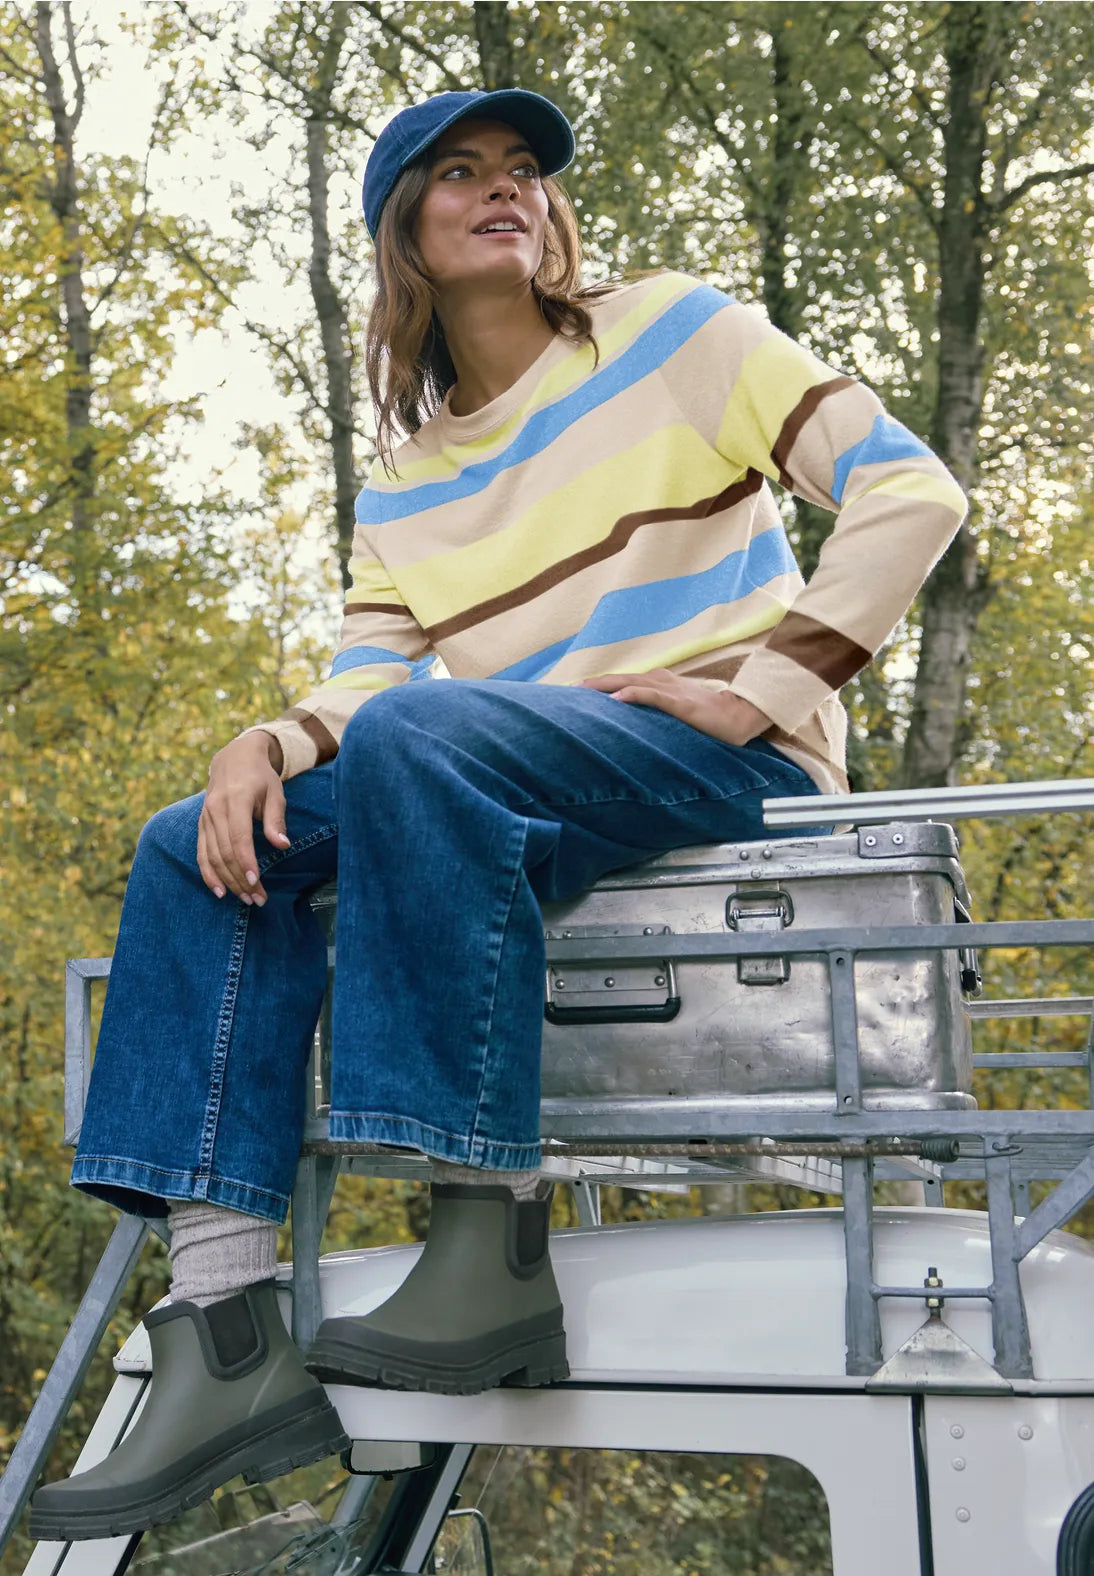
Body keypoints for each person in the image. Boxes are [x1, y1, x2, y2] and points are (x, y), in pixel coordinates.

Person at [29, 87, 966, 1541]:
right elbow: (364, 688)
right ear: (402, 233)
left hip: (729, 774)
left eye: (522, 169)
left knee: (424, 737)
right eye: (460, 172)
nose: (505, 188)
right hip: (505, 782)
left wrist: (768, 683)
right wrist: (258, 745)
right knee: (195, 843)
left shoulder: (677, 333)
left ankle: (485, 1235)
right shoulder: (406, 489)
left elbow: (911, 491)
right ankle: (225, 1332)